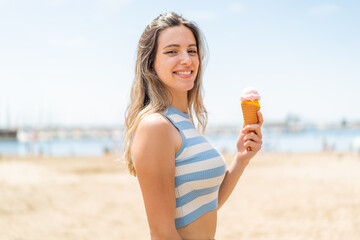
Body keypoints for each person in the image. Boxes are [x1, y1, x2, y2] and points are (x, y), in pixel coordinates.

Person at [124, 12, 263, 240]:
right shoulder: (155, 126)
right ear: (150, 63)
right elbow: (161, 232)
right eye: (172, 51)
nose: (187, 59)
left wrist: (241, 159)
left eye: (191, 50)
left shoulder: (182, 122)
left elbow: (207, 205)